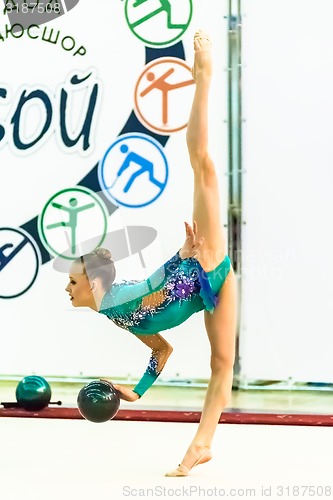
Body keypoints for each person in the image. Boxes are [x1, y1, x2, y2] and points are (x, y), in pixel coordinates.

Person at [65, 30, 237, 477]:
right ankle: (201, 446)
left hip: (205, 264)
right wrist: (138, 390)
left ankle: (204, 76)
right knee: (222, 364)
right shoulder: (111, 310)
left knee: (203, 164)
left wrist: (182, 257)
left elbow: (154, 292)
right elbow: (161, 347)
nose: (67, 288)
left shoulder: (119, 302)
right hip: (206, 283)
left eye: (72, 280)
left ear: (95, 282)